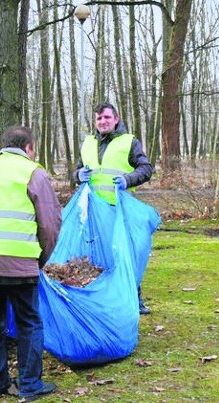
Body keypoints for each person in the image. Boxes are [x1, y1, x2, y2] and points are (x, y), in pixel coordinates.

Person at [0, 126, 62, 403]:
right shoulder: (33, 172)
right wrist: (40, 259)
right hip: (18, 261)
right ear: (29, 148)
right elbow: (50, 223)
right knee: (28, 322)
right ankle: (30, 385)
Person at [72, 102, 153, 314]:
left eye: (107, 117)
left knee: (126, 254)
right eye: (99, 118)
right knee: (97, 255)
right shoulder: (88, 143)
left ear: (116, 119)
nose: (103, 122)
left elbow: (145, 168)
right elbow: (77, 169)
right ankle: (102, 297)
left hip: (119, 210)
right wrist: (77, 176)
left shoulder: (129, 142)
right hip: (93, 212)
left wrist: (128, 179)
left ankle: (134, 299)